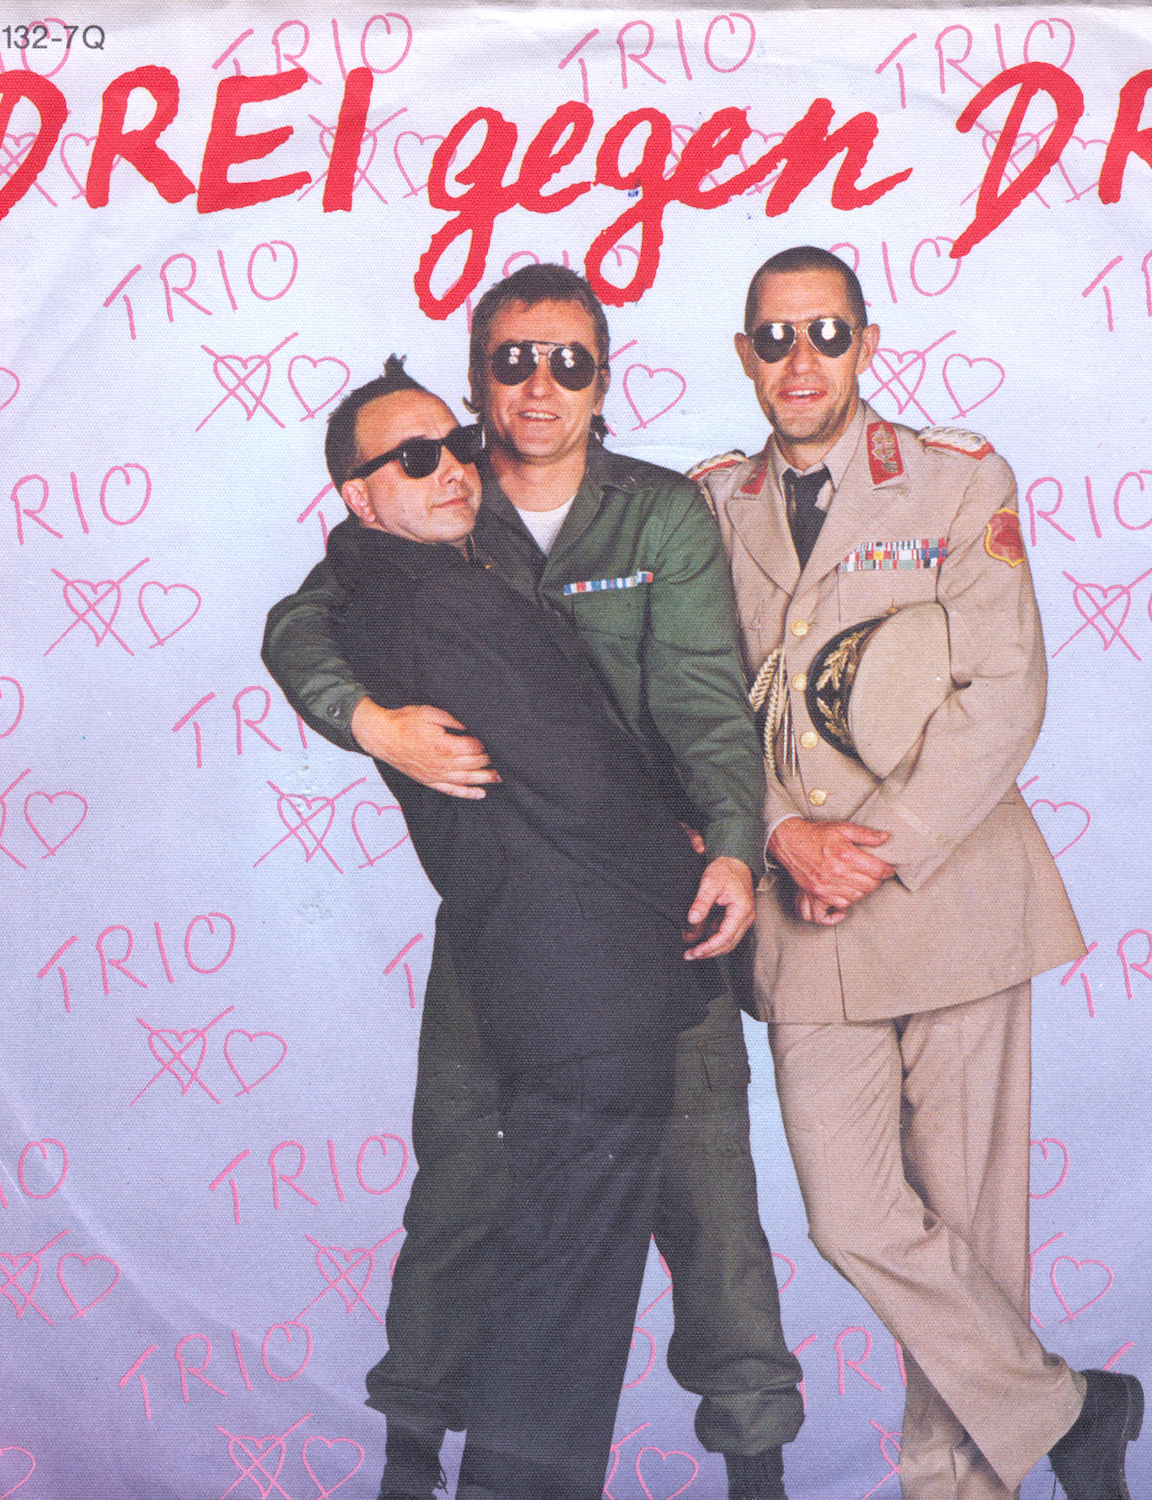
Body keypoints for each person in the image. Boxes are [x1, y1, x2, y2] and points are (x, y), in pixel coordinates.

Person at [262, 265, 802, 1500]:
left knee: (710, 1196)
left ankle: (756, 1468)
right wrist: (371, 723)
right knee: (463, 1188)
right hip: (505, 922)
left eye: (570, 362)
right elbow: (299, 622)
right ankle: (414, 1462)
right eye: (513, 362)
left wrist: (729, 846)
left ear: (604, 382)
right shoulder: (438, 505)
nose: (541, 386)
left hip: (654, 908)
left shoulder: (657, 513)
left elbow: (705, 702)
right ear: (476, 381)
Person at [693, 246, 1145, 1500]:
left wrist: (873, 848)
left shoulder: (955, 478)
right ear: (744, 355)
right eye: (775, 337)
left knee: (971, 1226)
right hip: (801, 917)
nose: (801, 361)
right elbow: (696, 708)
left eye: (826, 334)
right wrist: (781, 832)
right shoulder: (709, 505)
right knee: (853, 1217)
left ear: (868, 344)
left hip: (950, 898)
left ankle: (958, 1488)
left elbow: (1004, 690)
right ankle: (1072, 1410)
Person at [318, 357, 720, 1500]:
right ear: (359, 495)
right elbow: (577, 777)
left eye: (453, 444)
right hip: (586, 984)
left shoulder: (394, 581)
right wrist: (696, 884)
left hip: (548, 978)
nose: (451, 467)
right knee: (566, 1303)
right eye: (413, 459)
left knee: (554, 1283)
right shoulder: (437, 600)